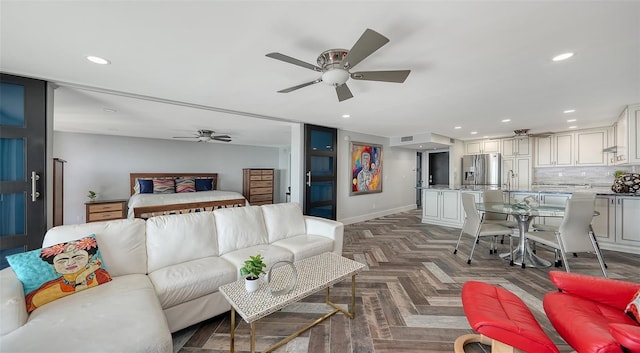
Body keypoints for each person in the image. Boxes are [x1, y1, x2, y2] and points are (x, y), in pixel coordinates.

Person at [25, 237, 112, 312]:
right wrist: (81, 277)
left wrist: (82, 276)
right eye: (62, 260)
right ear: (53, 265)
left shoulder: (101, 275)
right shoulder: (43, 293)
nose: (70, 263)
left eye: (78, 257)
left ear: (89, 257)